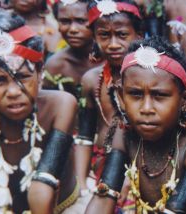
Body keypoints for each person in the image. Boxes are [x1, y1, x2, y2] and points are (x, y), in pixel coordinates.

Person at [86, 36, 186, 214]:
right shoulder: (125, 134)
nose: (146, 108)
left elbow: (175, 210)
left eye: (160, 95)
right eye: (135, 94)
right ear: (122, 98)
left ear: (185, 99)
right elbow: (103, 198)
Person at [0, 9, 78, 213]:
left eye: (23, 77)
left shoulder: (61, 104)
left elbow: (42, 190)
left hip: (63, 207)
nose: (13, 92)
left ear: (40, 73)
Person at [74, 0, 143, 196]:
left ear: (138, 35)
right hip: (102, 165)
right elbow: (84, 138)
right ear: (95, 37)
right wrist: (82, 184)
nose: (113, 44)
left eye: (122, 35)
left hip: (145, 164)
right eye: (104, 35)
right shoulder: (91, 81)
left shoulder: (154, 79)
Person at [42, 0, 100, 98]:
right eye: (65, 21)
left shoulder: (114, 57)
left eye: (81, 21)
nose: (73, 29)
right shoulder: (55, 66)